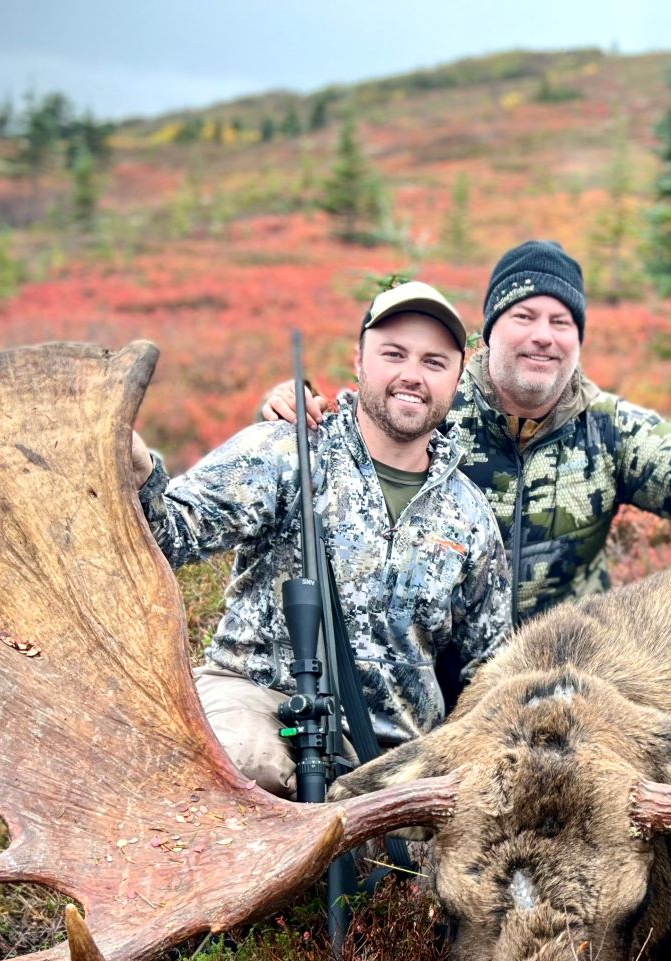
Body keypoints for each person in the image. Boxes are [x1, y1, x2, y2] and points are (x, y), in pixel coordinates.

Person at [262, 240, 671, 623]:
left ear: (578, 339)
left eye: (561, 322)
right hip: (435, 668)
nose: (544, 335)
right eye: (524, 316)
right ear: (489, 332)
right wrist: (290, 406)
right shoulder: (438, 401)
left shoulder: (609, 429)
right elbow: (357, 417)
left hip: (572, 674)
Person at [130, 281, 510, 796]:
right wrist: (134, 464)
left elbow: (491, 669)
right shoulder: (288, 452)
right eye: (393, 354)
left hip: (389, 745)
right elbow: (168, 535)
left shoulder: (470, 515)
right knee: (246, 765)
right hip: (259, 700)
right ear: (359, 360)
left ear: (458, 376)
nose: (411, 376)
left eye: (433, 362)